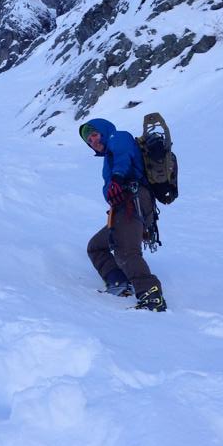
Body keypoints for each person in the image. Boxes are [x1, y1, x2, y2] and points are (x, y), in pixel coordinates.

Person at [79, 118, 167, 311]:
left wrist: (118, 177)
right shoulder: (109, 156)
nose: (92, 141)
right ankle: (118, 283)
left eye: (94, 135)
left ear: (103, 130)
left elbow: (123, 155)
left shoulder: (118, 137)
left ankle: (152, 297)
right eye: (89, 141)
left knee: (126, 252)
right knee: (96, 247)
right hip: (125, 205)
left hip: (132, 200)